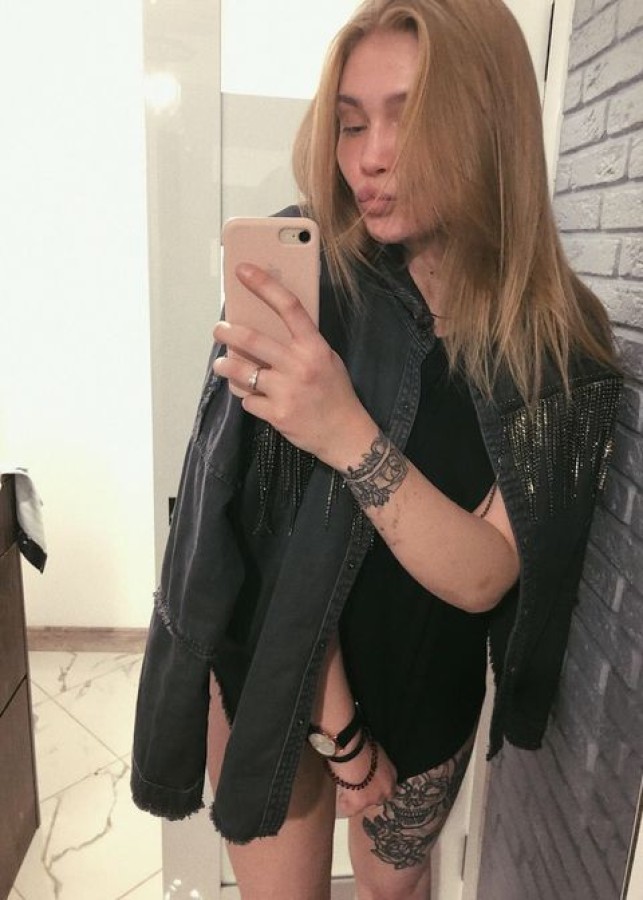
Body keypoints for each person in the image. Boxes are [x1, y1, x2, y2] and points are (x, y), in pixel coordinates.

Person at [131, 1, 622, 898]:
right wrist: (347, 742)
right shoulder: (308, 286)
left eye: (409, 118)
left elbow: (485, 574)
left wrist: (340, 426)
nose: (369, 157)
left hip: (425, 686)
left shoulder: (555, 343)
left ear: (489, 124)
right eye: (350, 123)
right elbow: (256, 540)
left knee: (395, 887)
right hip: (279, 670)